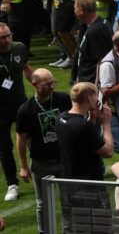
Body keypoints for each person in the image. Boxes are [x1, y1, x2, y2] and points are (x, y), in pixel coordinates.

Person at [15, 68, 70, 232]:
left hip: (63, 159)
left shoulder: (63, 100)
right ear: (35, 84)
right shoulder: (26, 109)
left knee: (68, 201)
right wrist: (23, 166)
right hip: (40, 162)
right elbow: (21, 139)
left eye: (53, 82)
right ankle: (44, 231)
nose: (52, 86)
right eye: (47, 84)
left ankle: (69, 230)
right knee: (43, 203)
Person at [55, 82, 115, 224]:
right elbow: (108, 152)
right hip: (89, 187)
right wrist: (106, 123)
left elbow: (82, 140)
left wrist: (93, 119)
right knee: (99, 226)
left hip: (70, 184)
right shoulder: (83, 126)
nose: (97, 100)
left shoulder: (61, 118)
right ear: (89, 98)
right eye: (95, 96)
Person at [0, 21, 30, 202]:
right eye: (1, 38)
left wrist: (38, 81)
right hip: (0, 108)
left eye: (8, 35)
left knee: (34, 138)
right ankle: (12, 183)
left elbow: (25, 68)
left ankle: (39, 171)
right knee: (4, 147)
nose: (6, 40)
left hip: (20, 103)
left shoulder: (19, 48)